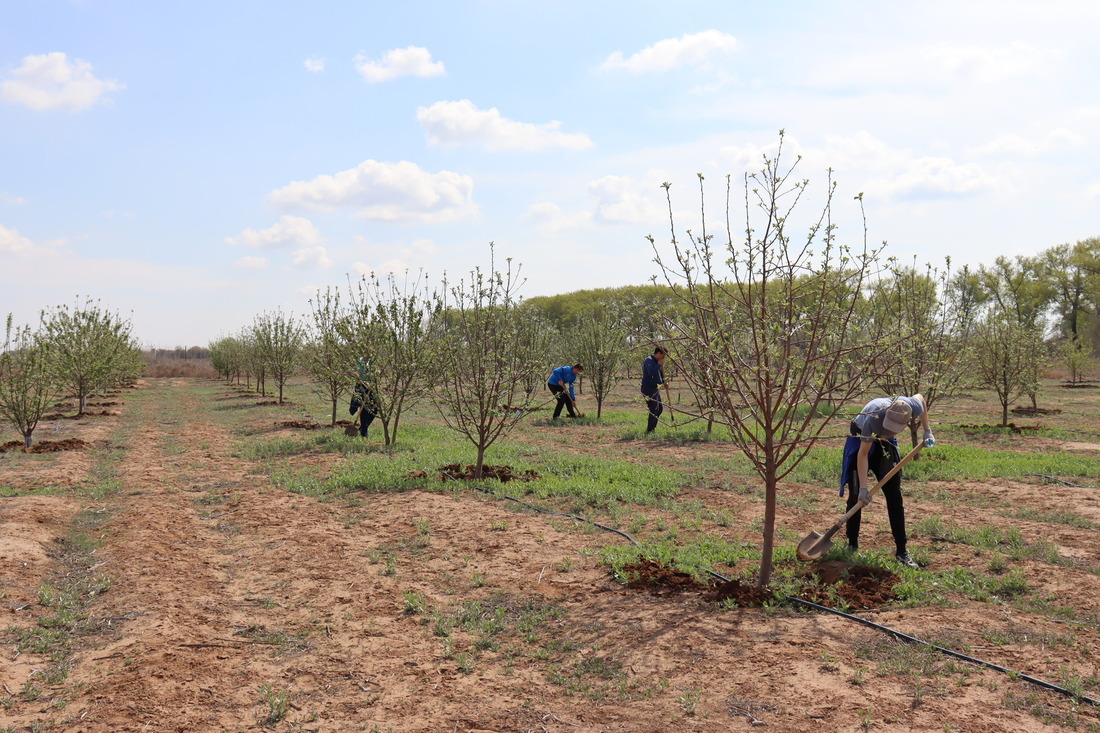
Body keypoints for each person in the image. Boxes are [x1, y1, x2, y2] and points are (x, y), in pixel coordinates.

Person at [840, 394, 936, 568]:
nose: (890, 431)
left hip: (886, 446)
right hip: (860, 438)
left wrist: (927, 430)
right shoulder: (873, 419)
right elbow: (863, 454)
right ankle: (852, 545)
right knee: (855, 496)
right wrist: (863, 488)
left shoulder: (911, 406)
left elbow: (921, 398)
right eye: (888, 428)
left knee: (894, 496)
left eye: (894, 429)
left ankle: (902, 550)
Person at [640, 346, 668, 433]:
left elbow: (660, 373)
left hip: (654, 388)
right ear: (658, 353)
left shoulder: (657, 362)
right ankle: (650, 430)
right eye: (663, 355)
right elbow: (651, 372)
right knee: (654, 408)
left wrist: (664, 382)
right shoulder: (649, 360)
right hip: (647, 388)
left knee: (659, 408)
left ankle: (652, 428)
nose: (664, 358)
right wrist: (658, 365)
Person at [349, 356, 378, 438]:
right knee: (364, 409)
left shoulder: (373, 360)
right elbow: (356, 374)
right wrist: (364, 383)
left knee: (375, 409)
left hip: (371, 387)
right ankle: (364, 432)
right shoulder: (360, 361)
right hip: (361, 386)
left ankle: (362, 428)